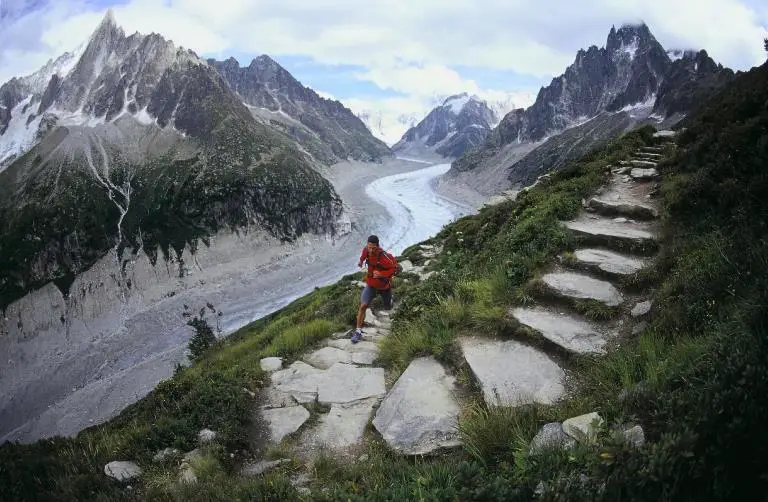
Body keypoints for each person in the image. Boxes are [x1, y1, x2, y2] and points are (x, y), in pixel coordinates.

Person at [352, 235, 398, 343]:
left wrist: (381, 274)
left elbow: (394, 269)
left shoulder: (384, 257)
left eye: (373, 248)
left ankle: (390, 300)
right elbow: (363, 255)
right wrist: (361, 261)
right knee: (363, 306)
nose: (371, 250)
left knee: (387, 306)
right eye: (369, 247)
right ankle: (358, 331)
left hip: (384, 286)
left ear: (378, 246)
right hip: (371, 284)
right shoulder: (366, 250)